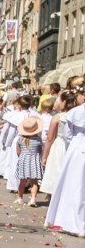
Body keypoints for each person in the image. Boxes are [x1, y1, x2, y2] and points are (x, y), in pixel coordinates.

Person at [45, 82, 85, 236]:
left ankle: (69, 219)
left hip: (76, 148)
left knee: (73, 184)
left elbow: (68, 135)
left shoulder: (75, 112)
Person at [40, 91, 76, 195]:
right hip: (72, 146)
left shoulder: (57, 117)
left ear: (64, 102)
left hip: (59, 145)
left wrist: (44, 155)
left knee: (56, 171)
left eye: (59, 100)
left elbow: (49, 138)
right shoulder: (76, 116)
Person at [15, 116, 44, 207]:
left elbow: (18, 152)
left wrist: (22, 157)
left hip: (23, 160)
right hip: (34, 160)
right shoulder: (38, 140)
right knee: (34, 182)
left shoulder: (20, 139)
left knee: (22, 181)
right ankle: (33, 199)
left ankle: (20, 198)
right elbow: (40, 151)